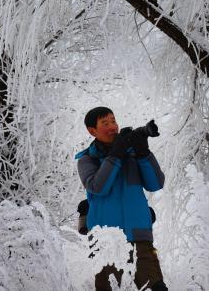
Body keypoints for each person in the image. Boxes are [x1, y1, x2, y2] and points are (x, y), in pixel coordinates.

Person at [75, 106, 168, 291]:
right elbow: (98, 187)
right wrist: (115, 155)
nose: (112, 126)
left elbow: (156, 183)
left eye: (113, 121)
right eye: (105, 123)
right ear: (92, 130)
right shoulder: (87, 160)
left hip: (139, 235)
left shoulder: (132, 155)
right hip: (107, 241)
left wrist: (143, 153)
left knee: (156, 287)